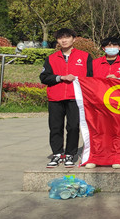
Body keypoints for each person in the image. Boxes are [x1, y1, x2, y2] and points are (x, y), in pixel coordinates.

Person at [40, 28, 93, 168]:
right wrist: (61, 77)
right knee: (55, 127)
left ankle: (70, 154)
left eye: (67, 37)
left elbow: (91, 77)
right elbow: (44, 77)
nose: (64, 40)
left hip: (76, 98)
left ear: (74, 39)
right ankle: (57, 154)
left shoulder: (85, 57)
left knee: (73, 127)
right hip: (55, 97)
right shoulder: (51, 58)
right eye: (60, 38)